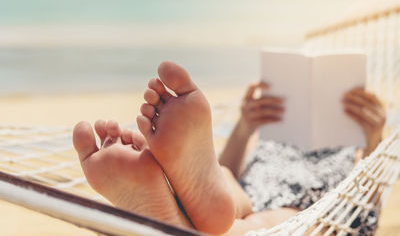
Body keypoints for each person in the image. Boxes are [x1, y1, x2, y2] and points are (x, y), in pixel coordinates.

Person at [72, 61, 385, 235]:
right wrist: (245, 126)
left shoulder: (350, 151)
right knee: (224, 180)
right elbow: (224, 172)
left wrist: (374, 140)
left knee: (261, 220)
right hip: (245, 195)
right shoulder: (272, 141)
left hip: (314, 210)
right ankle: (179, 207)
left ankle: (174, 217)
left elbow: (365, 208)